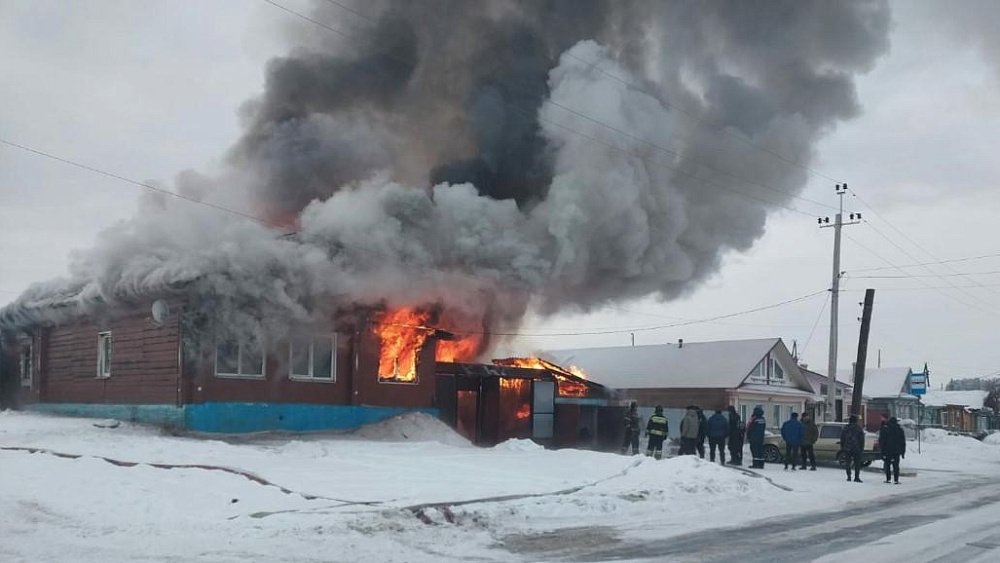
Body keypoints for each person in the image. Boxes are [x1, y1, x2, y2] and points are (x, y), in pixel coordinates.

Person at [879, 416, 906, 484]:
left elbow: (882, 441)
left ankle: (888, 479)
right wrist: (903, 452)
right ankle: (896, 479)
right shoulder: (900, 430)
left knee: (887, 465)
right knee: (896, 466)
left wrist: (882, 451)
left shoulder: (885, 429)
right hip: (896, 451)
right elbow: (902, 442)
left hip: (887, 450)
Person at [841, 415, 866, 482]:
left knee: (848, 463)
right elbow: (861, 440)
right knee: (857, 463)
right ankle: (856, 477)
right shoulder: (858, 428)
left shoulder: (846, 428)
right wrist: (861, 448)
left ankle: (849, 476)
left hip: (847, 448)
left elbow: (842, 438)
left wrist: (843, 447)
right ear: (856, 421)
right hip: (856, 448)